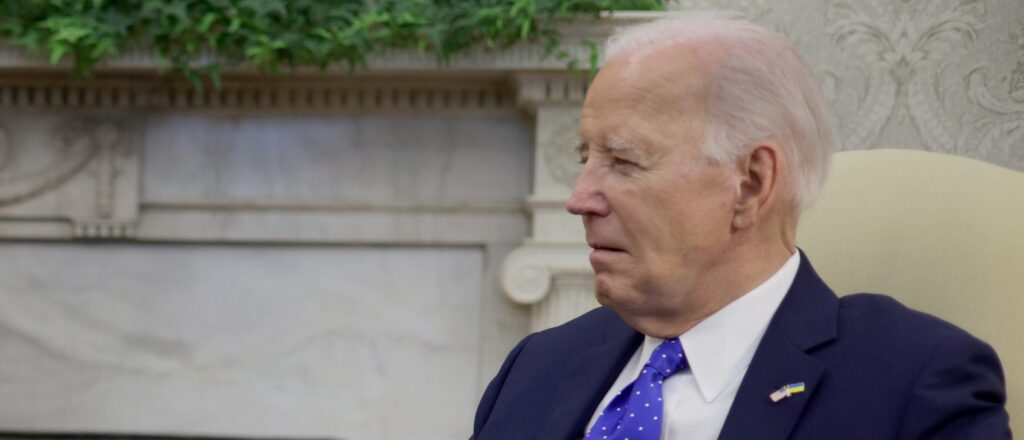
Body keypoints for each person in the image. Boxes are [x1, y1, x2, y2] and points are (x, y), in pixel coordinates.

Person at [471, 12, 1011, 440]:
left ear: (751, 183)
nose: (580, 198)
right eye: (584, 158)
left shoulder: (912, 382)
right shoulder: (537, 368)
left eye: (624, 161)